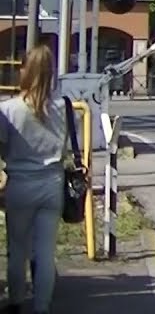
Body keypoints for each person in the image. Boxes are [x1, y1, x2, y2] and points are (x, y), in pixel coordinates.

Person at [0, 44, 69, 314]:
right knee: (44, 251)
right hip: (52, 183)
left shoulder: (9, 109)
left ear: (24, 71)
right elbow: (65, 149)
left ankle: (16, 300)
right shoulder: (63, 107)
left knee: (17, 247)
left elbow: (3, 147)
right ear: (51, 74)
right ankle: (42, 307)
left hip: (20, 183)